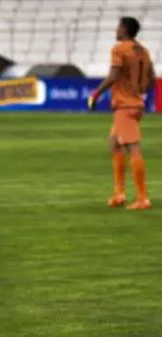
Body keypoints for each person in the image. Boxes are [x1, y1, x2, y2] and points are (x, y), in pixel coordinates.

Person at [89, 16, 155, 210]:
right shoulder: (143, 51)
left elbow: (114, 74)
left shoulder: (119, 49)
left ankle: (142, 198)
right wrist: (139, 90)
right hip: (136, 104)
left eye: (118, 27)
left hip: (124, 106)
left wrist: (96, 93)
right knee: (115, 144)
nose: (116, 30)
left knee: (133, 148)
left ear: (125, 29)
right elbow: (150, 77)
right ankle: (119, 194)